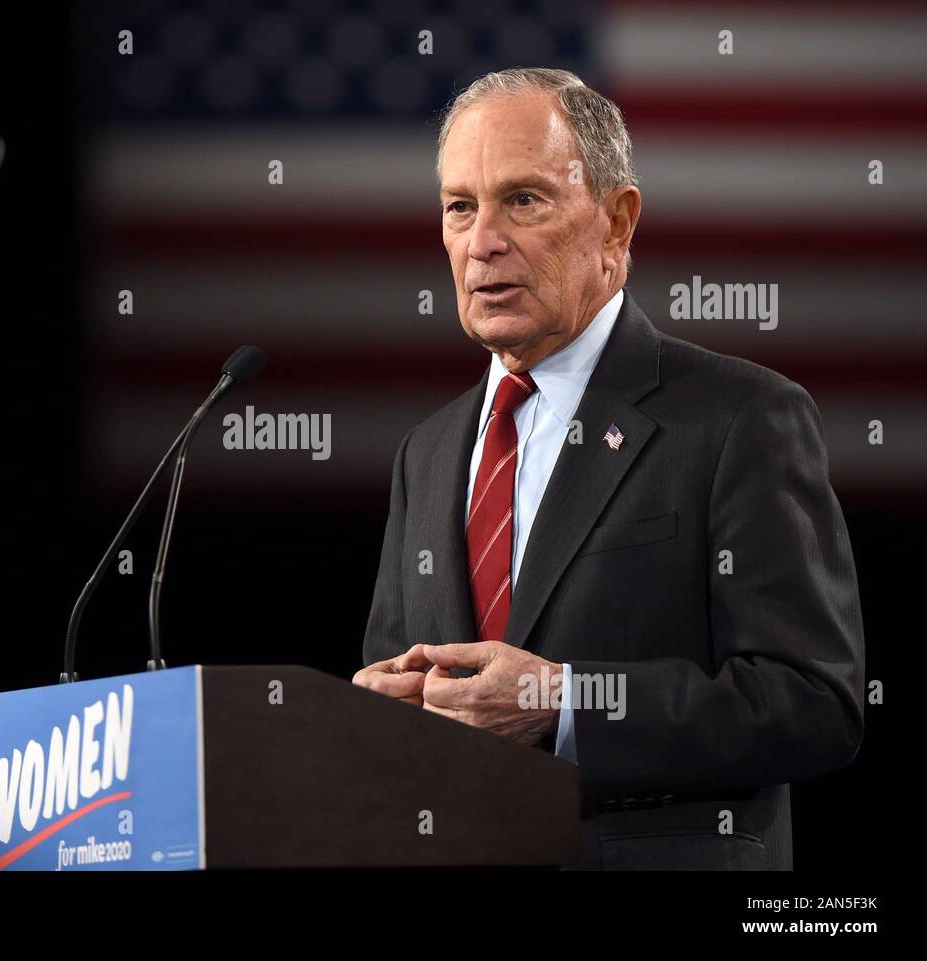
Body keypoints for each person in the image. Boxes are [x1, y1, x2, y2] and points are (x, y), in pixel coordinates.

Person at [355, 68, 864, 870]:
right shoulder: (428, 452)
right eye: (461, 206)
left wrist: (564, 702)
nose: (483, 240)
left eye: (522, 200)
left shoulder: (738, 419)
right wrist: (376, 723)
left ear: (616, 224)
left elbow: (815, 703)